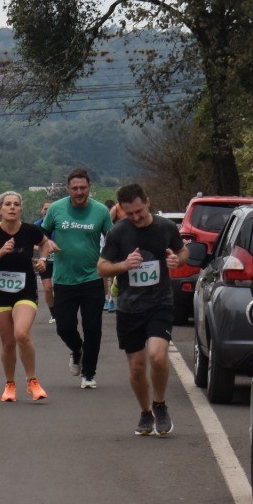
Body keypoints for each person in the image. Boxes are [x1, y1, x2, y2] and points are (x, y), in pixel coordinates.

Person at [98, 183, 184, 436]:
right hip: (129, 307)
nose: (135, 217)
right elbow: (102, 267)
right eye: (129, 213)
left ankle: (160, 405)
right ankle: (145, 412)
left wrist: (177, 260)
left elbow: (183, 252)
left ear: (147, 201)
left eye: (139, 211)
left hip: (160, 302)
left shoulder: (165, 227)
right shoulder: (118, 233)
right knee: (137, 367)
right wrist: (124, 265)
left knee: (157, 356)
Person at [0, 191, 56, 402]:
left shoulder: (30, 230)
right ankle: (10, 384)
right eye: (8, 204)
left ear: (21, 209)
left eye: (16, 204)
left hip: (25, 290)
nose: (12, 207)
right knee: (8, 343)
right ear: (0, 209)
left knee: (21, 334)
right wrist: (1, 251)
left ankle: (32, 381)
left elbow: (45, 243)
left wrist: (43, 259)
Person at [40, 168, 115, 389]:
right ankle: (76, 349)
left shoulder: (101, 211)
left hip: (92, 278)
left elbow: (111, 239)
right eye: (75, 188)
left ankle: (89, 373)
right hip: (63, 279)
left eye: (83, 188)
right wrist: (48, 243)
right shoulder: (56, 209)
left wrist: (110, 261)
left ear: (89, 187)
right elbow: (41, 234)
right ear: (68, 189)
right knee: (64, 327)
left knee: (93, 328)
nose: (79, 192)